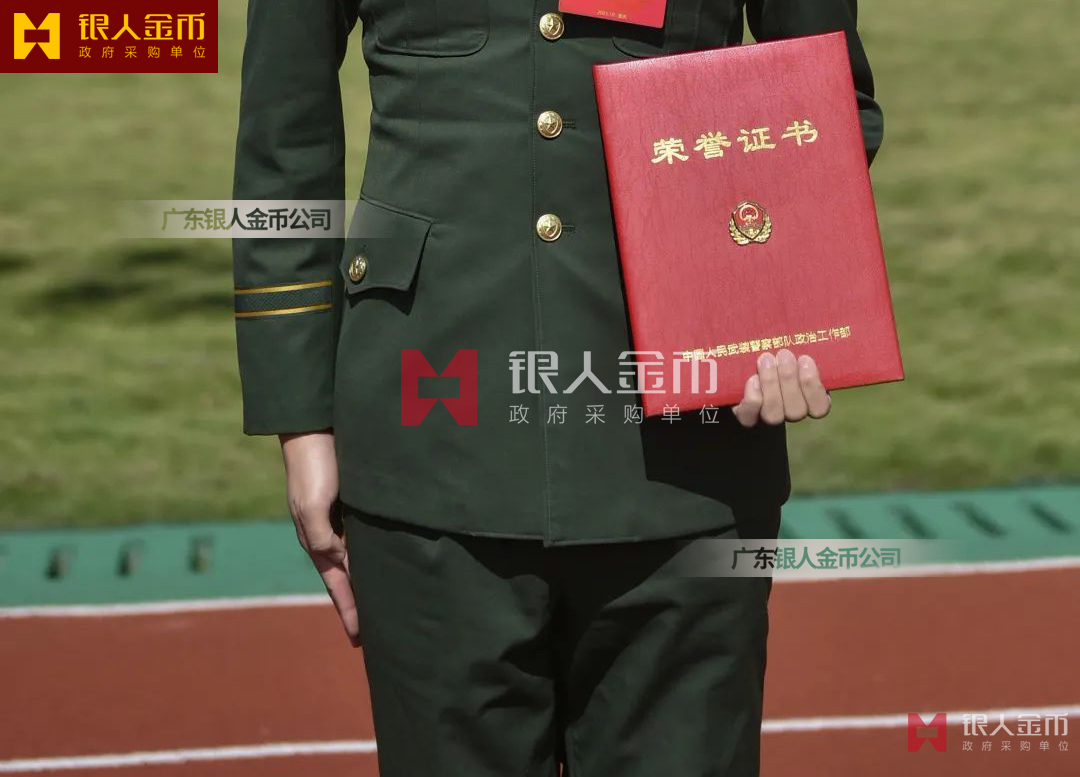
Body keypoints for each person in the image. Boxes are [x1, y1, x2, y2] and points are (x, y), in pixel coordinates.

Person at [232, 1, 882, 774]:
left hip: (690, 450)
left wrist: (778, 302)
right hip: (432, 430)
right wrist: (301, 422)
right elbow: (284, 144)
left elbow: (826, 99)